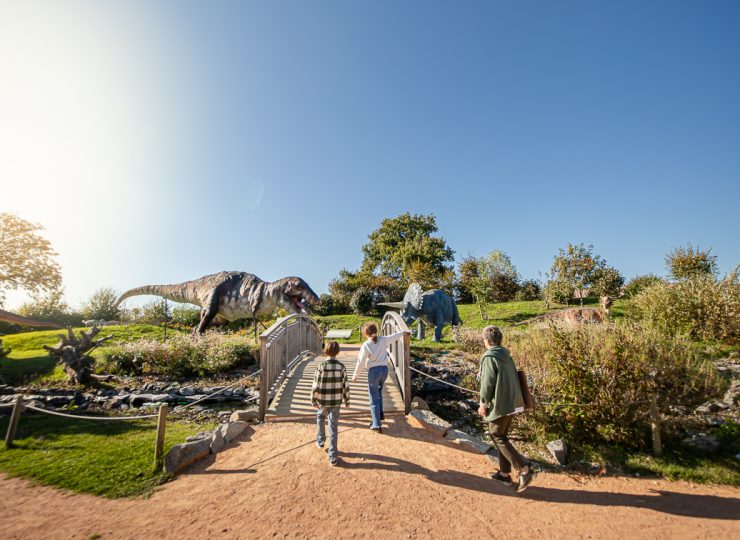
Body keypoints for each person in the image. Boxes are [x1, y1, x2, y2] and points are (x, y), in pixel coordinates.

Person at [477, 325, 536, 492]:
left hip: (502, 404)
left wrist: (483, 403)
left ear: (487, 340)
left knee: (497, 435)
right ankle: (504, 474)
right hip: (515, 402)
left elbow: (488, 382)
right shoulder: (506, 355)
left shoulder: (489, 357)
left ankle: (525, 469)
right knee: (501, 436)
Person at [352, 322, 409, 433]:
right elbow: (394, 337)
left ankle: (376, 424)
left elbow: (361, 362)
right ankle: (380, 414)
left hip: (373, 372)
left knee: (373, 398)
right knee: (379, 392)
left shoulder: (366, 345)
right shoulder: (383, 340)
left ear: (365, 333)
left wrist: (355, 376)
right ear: (375, 331)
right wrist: (403, 332)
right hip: (384, 370)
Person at [311, 340, 350, 466]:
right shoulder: (341, 367)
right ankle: (333, 455)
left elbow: (315, 385)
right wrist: (347, 400)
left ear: (325, 351)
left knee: (320, 417)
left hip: (323, 400)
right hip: (336, 401)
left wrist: (313, 399)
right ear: (338, 352)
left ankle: (321, 440)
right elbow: (346, 385)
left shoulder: (321, 366)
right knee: (333, 427)